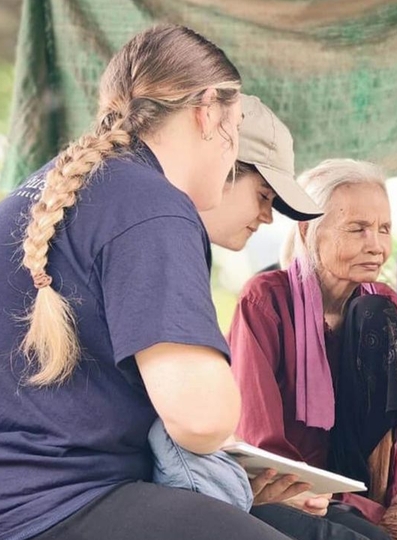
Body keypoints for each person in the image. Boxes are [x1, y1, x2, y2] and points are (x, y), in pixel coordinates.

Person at [0, 24, 291, 540]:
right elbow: (201, 418)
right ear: (208, 112)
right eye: (236, 125)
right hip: (11, 514)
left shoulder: (60, 186)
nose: (232, 149)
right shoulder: (152, 204)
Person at [228, 159, 397, 540]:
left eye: (384, 229)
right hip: (291, 496)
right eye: (358, 229)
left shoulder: (384, 305)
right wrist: (370, 514)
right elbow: (262, 443)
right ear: (308, 230)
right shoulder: (265, 301)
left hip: (372, 500)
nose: (377, 246)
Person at [147, 93, 325, 513]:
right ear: (223, 167)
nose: (268, 217)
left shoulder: (184, 245)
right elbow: (203, 421)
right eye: (264, 195)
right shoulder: (159, 237)